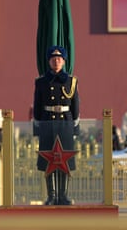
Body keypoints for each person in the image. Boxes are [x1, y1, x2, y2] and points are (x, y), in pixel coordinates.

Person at [33, 45, 80, 205]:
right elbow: (37, 106)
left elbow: (76, 107)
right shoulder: (41, 82)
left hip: (65, 122)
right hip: (47, 122)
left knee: (64, 159)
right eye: (53, 59)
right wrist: (38, 128)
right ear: (49, 61)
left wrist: (75, 128)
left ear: (64, 61)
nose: (56, 61)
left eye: (59, 58)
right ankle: (51, 195)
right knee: (49, 159)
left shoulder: (71, 81)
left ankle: (63, 195)